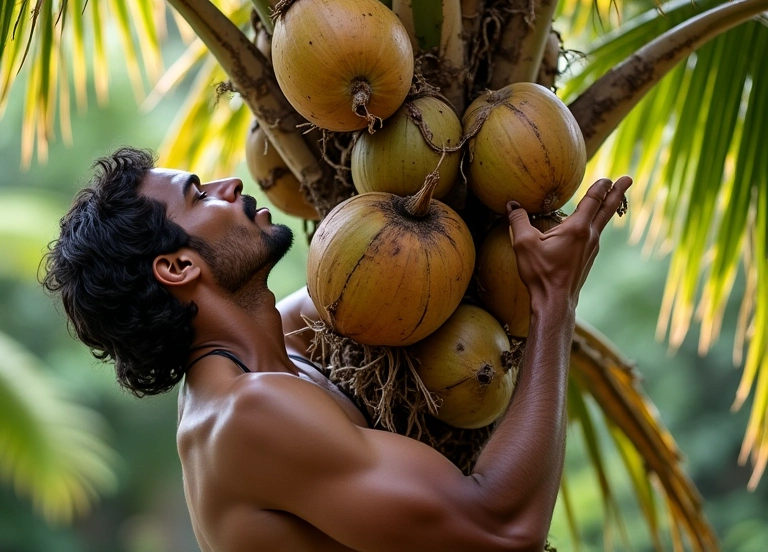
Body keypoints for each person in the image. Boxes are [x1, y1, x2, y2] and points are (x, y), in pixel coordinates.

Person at [43, 146, 632, 552]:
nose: (230, 185)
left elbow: (365, 274)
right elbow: (501, 531)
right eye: (199, 194)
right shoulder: (247, 417)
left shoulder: (278, 349)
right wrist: (554, 301)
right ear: (177, 267)